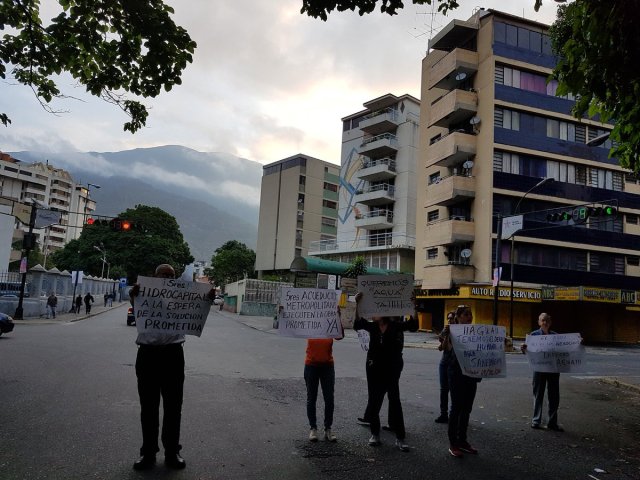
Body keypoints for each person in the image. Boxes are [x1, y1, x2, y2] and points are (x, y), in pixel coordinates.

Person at [129, 264, 215, 471]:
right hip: (147, 354)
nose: (167, 279)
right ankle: (148, 453)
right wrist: (135, 295)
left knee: (173, 407)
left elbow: (198, 306)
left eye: (171, 276)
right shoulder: (143, 292)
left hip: (173, 355)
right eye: (163, 275)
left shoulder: (181, 297)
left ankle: (172, 452)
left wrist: (208, 298)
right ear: (155, 277)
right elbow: (136, 304)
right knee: (148, 408)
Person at [353, 292, 418, 452]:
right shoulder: (373, 326)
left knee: (394, 400)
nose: (373, 313)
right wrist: (358, 304)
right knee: (374, 400)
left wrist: (413, 306)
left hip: (391, 368)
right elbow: (357, 324)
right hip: (373, 367)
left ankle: (400, 438)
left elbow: (413, 326)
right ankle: (375, 434)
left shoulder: (395, 326)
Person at [445, 305, 481, 458]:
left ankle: (462, 440)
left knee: (467, 408)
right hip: (457, 373)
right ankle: (453, 443)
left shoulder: (477, 333)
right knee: (456, 408)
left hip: (471, 374)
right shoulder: (451, 331)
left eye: (470, 314)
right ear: (459, 317)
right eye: (466, 314)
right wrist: (448, 335)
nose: (469, 317)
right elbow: (444, 348)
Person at [305, 309, 344, 443]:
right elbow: (292, 325)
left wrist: (338, 318)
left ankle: (328, 428)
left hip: (327, 366)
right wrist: (283, 313)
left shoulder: (330, 323)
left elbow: (340, 336)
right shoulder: (309, 322)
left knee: (329, 399)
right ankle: (313, 428)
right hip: (311, 366)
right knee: (311, 398)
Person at [521, 312, 564, 432]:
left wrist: (577, 343)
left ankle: (552, 422)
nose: (545, 322)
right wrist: (523, 349)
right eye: (542, 320)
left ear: (550, 322)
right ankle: (536, 420)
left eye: (547, 320)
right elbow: (527, 352)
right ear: (539, 322)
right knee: (538, 395)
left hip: (553, 370)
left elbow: (565, 350)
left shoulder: (556, 336)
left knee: (554, 396)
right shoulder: (533, 335)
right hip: (539, 370)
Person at [435, 311, 456, 424]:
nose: (449, 320)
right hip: (445, 362)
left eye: (451, 318)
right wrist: (446, 335)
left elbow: (451, 348)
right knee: (444, 389)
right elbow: (443, 348)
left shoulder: (460, 331)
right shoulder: (446, 330)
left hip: (454, 363)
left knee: (454, 390)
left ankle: (454, 414)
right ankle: (444, 414)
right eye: (448, 318)